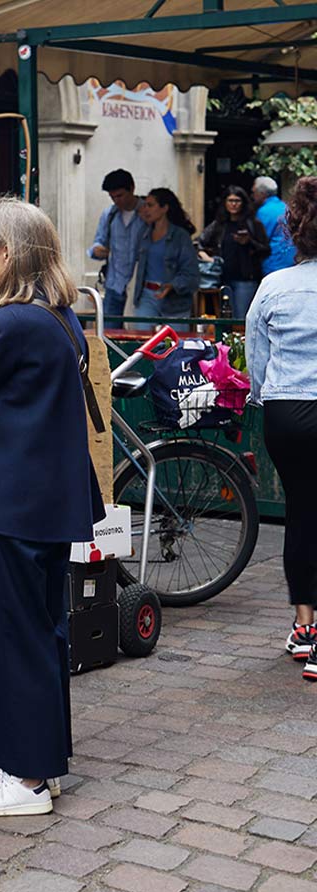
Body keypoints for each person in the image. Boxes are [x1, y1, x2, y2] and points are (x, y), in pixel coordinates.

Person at [0, 196, 103, 818]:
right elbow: (12, 392)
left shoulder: (10, 323)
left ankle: (27, 779)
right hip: (43, 501)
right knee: (37, 630)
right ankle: (31, 759)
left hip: (8, 502)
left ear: (8, 255)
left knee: (7, 634)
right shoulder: (58, 319)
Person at [245, 175, 317, 676]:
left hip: (286, 412)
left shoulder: (274, 286)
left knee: (302, 514)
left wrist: (261, 395)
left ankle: (304, 625)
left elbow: (257, 360)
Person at [130, 187, 200, 325]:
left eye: (150, 205)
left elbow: (191, 273)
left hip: (174, 299)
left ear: (164, 208)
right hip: (146, 295)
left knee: (174, 343)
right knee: (142, 340)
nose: (146, 209)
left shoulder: (180, 237)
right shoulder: (144, 234)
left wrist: (173, 285)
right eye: (144, 205)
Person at [198, 185, 269, 320]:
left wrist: (248, 242)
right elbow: (199, 242)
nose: (234, 204)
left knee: (242, 319)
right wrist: (206, 256)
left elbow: (265, 250)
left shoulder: (253, 224)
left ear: (243, 203)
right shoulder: (219, 224)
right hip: (223, 278)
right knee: (225, 320)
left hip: (246, 279)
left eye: (237, 201)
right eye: (230, 201)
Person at [88, 169, 146, 321]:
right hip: (114, 284)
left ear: (132, 188)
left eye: (120, 196)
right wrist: (98, 250)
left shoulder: (148, 213)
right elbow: (98, 242)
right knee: (109, 333)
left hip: (140, 286)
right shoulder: (110, 214)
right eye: (112, 197)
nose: (116, 201)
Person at [253, 175, 297, 275]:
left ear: (262, 193)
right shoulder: (285, 207)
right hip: (291, 259)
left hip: (274, 262)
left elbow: (260, 239)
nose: (252, 196)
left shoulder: (264, 212)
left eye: (254, 192)